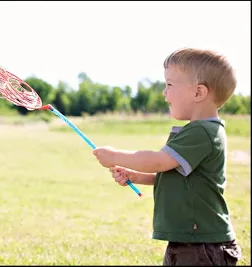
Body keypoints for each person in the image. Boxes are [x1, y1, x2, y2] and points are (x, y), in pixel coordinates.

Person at [92, 48, 242, 266]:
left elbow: (158, 160)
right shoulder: (199, 131)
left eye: (170, 85)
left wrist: (115, 155)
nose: (164, 92)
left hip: (202, 246)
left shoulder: (202, 132)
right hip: (189, 242)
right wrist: (137, 176)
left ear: (198, 93)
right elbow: (176, 175)